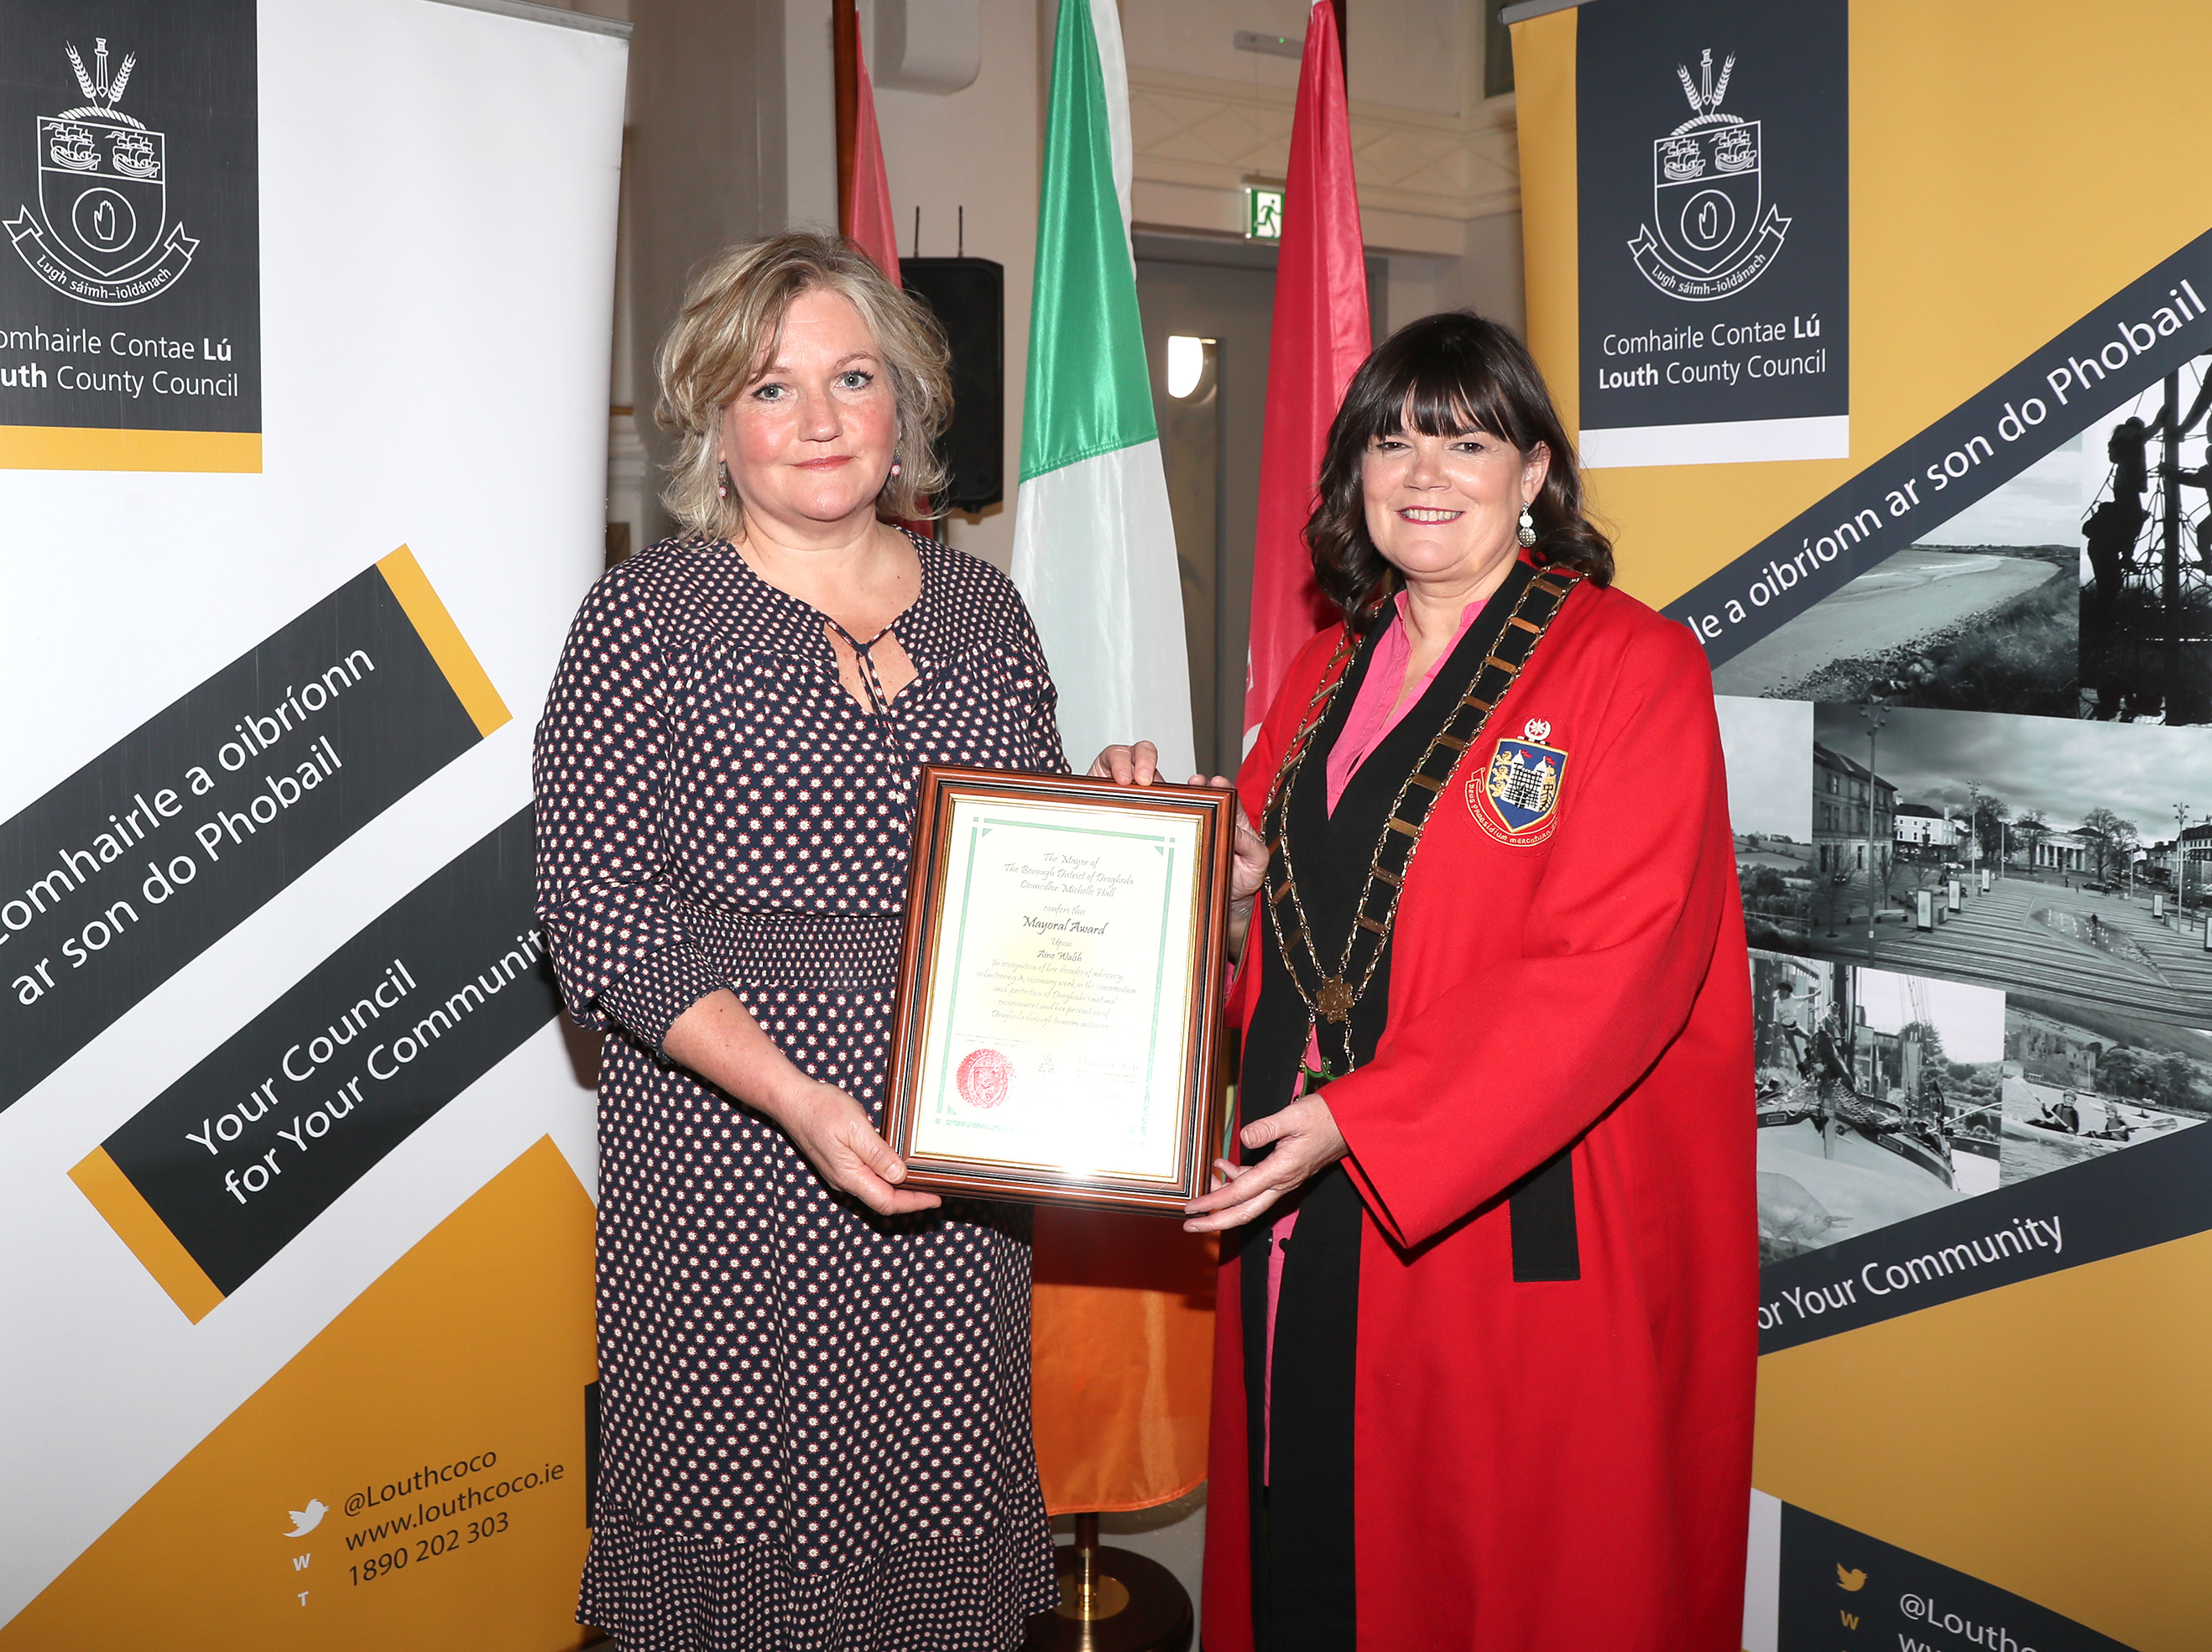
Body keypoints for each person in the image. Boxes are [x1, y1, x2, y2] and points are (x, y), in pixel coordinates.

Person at [1172, 311, 1758, 1649]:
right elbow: (1287, 936)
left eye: (1467, 442)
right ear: (1355, 475)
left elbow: (1618, 966)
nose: (1424, 474)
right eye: (1391, 442)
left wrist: (1364, 1118)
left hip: (1485, 1213)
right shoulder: (1324, 671)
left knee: (1481, 1572)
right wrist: (1231, 882)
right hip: (1298, 1193)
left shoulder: (1631, 667)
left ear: (1534, 471)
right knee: (1308, 1548)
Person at [533, 232, 1061, 1650]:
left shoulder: (986, 611)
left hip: (954, 1146)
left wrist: (1145, 828)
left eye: (853, 378)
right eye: (772, 387)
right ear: (716, 421)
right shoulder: (643, 617)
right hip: (727, 1153)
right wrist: (796, 1097)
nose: (821, 419)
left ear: (908, 402)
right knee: (745, 1543)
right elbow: (597, 911)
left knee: (936, 1515)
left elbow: (1037, 884)